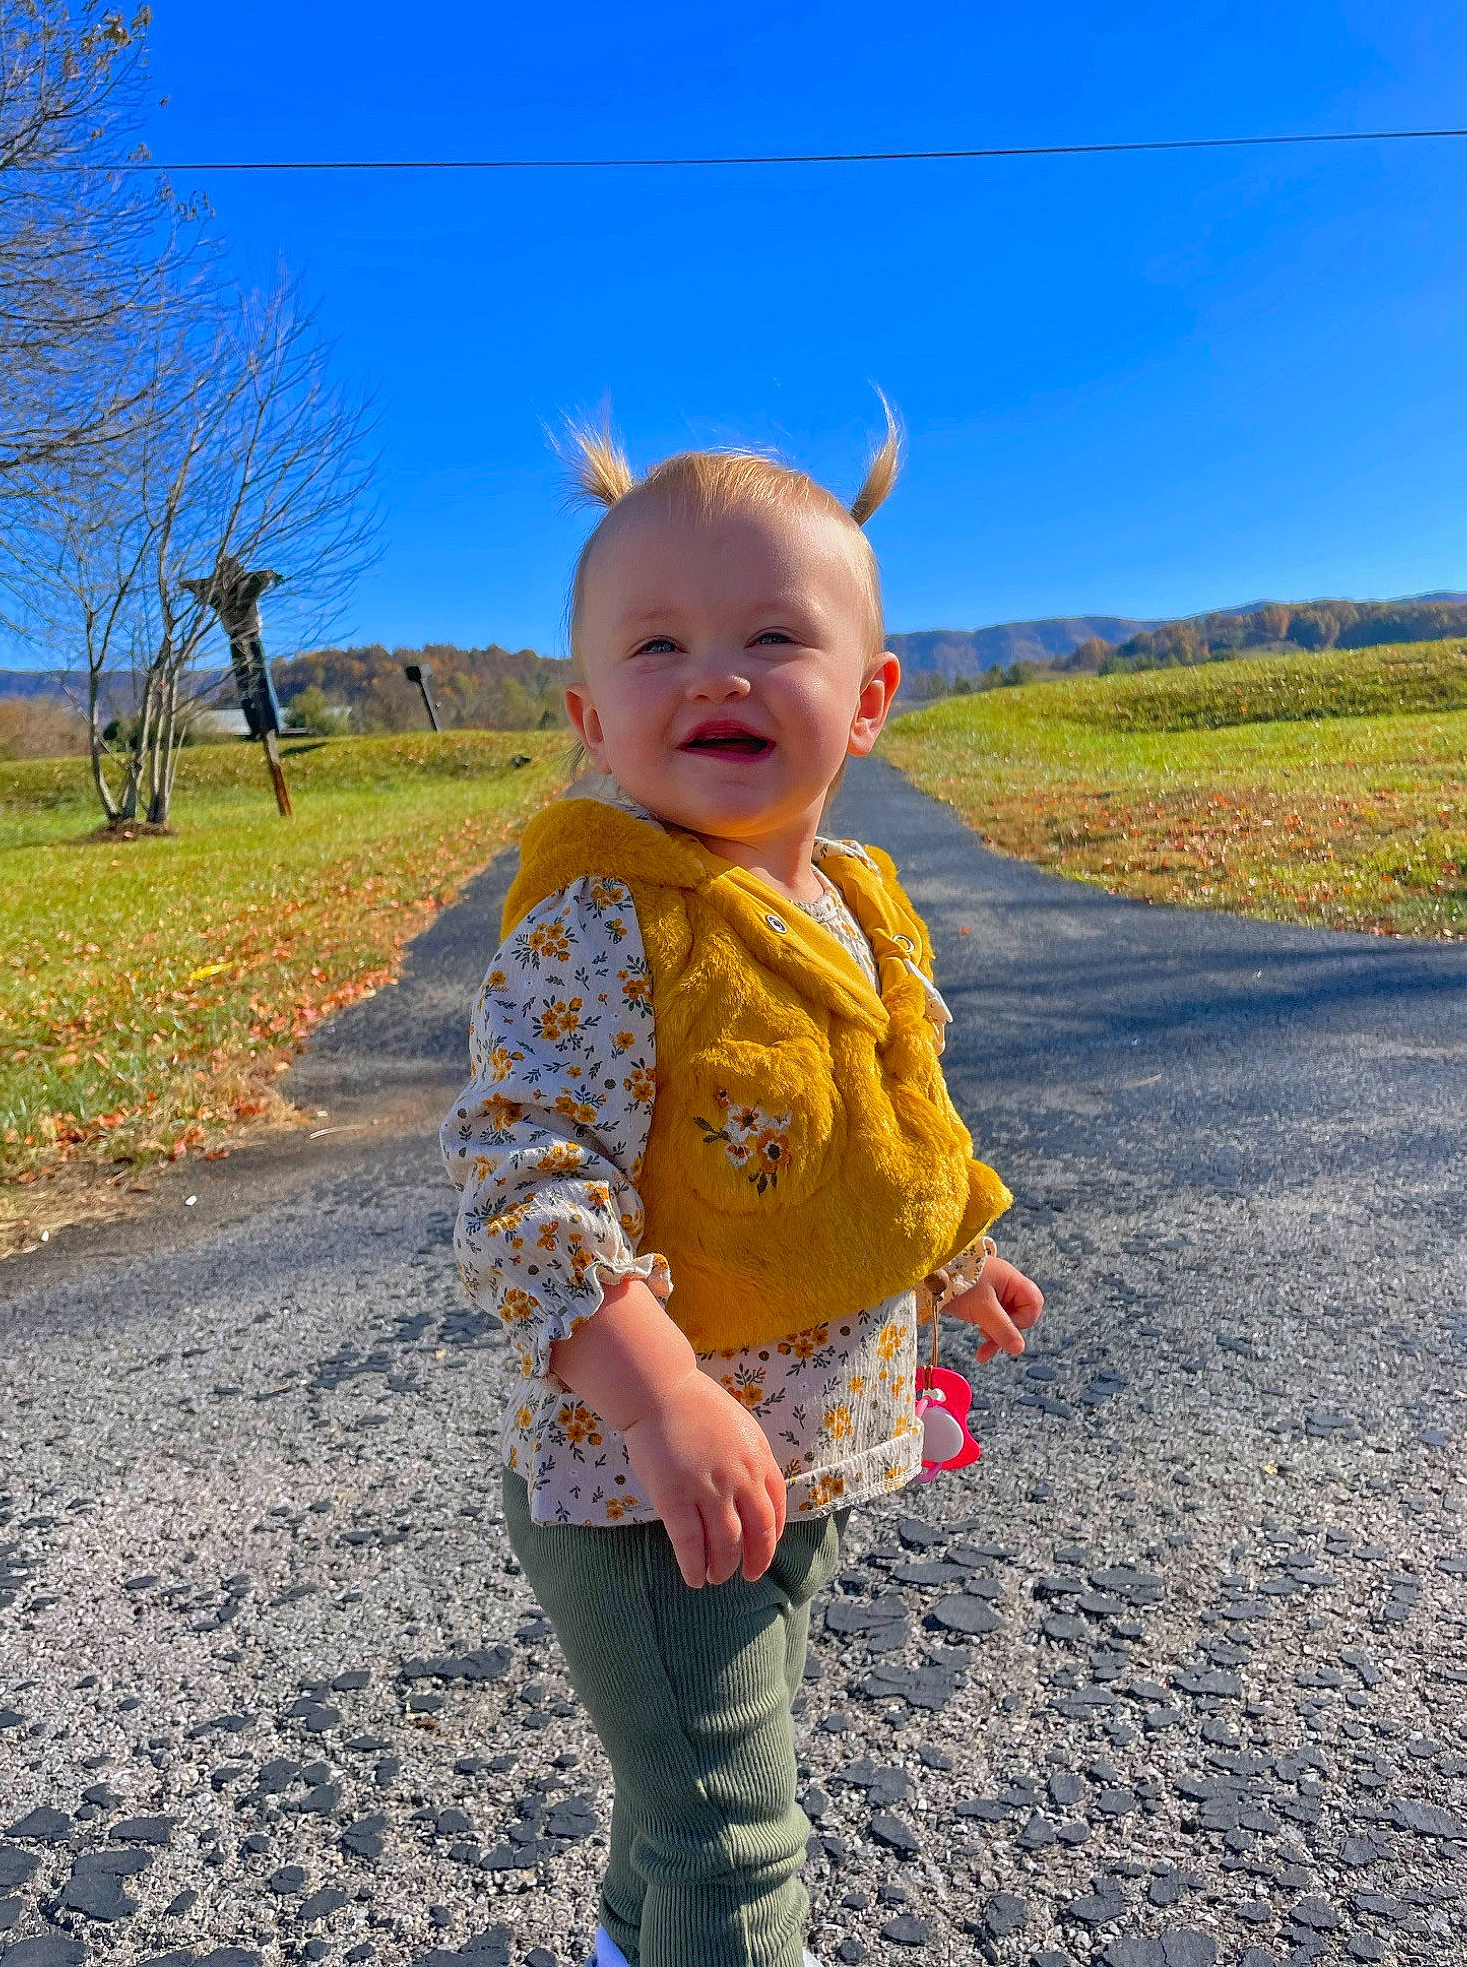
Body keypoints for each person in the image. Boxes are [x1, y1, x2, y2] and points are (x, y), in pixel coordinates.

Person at [440, 410, 1044, 1967]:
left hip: (805, 1450)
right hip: (642, 1487)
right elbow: (524, 1183)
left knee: (685, 1807)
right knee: (734, 1837)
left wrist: (949, 1251)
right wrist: (657, 1399)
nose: (715, 673)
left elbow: (883, 1111)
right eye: (658, 645)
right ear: (588, 715)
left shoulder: (851, 900)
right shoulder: (603, 926)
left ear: (868, 704)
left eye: (774, 634)